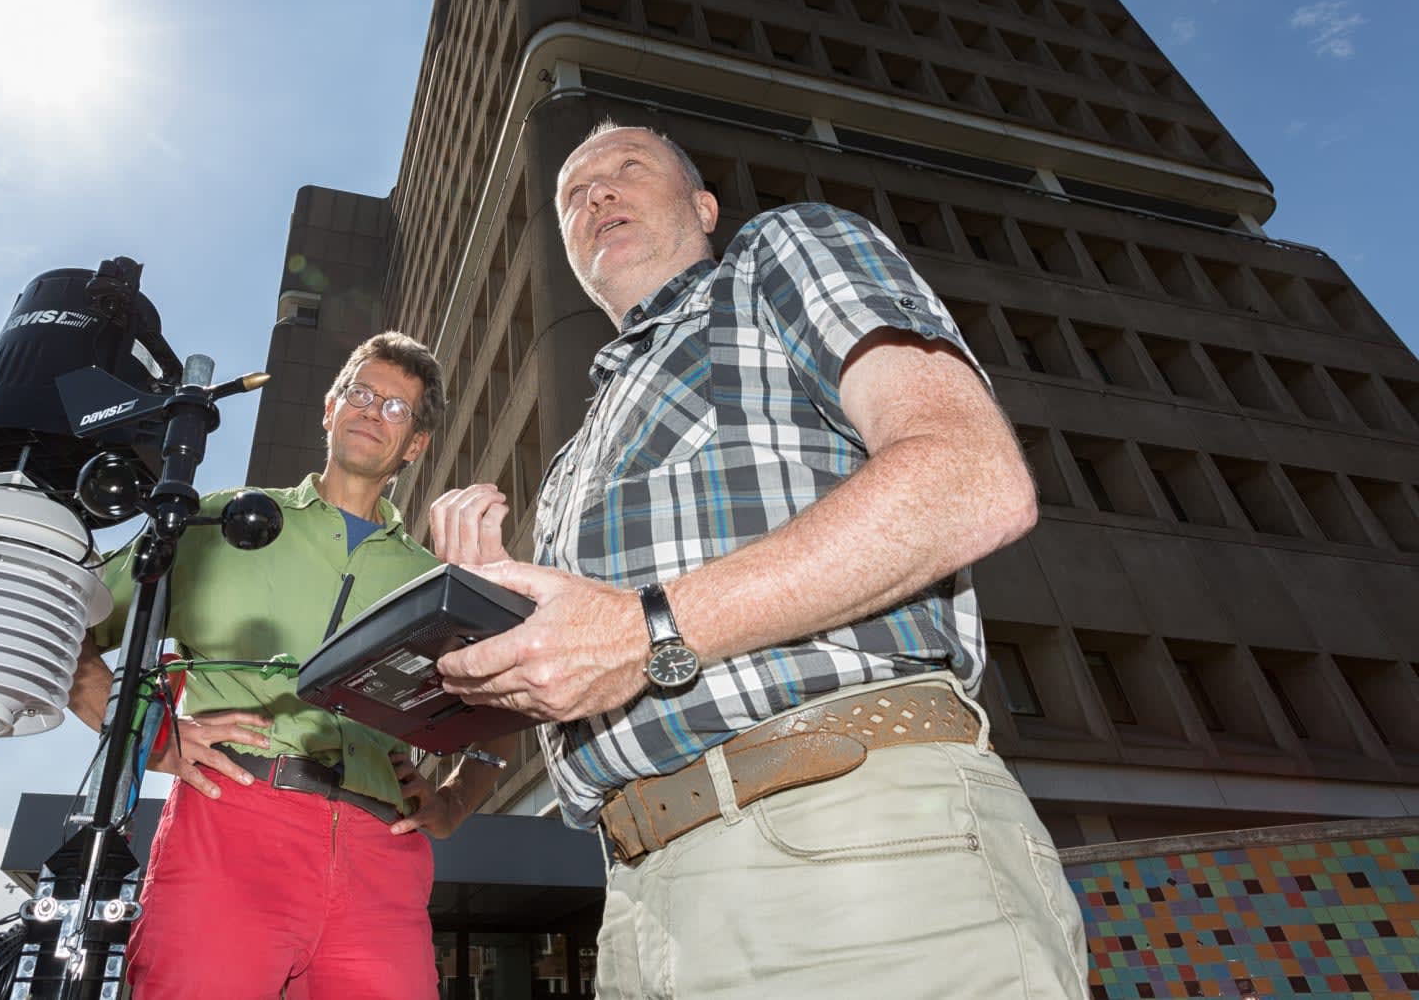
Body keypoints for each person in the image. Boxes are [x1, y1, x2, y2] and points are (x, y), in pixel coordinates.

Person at [427, 123, 1089, 999]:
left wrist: (648, 628)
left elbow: (971, 478)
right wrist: (484, 618)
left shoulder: (776, 254)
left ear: (702, 206)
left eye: (628, 170)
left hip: (848, 850)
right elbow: (584, 667)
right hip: (633, 898)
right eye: (574, 195)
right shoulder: (570, 460)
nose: (597, 195)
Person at [70, 331, 507, 1000]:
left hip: (381, 855)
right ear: (330, 407)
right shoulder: (217, 523)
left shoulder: (432, 583)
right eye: (361, 392)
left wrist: (451, 800)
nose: (371, 410)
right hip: (231, 825)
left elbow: (507, 710)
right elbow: (69, 624)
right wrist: (150, 735)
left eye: (396, 408)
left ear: (415, 445)